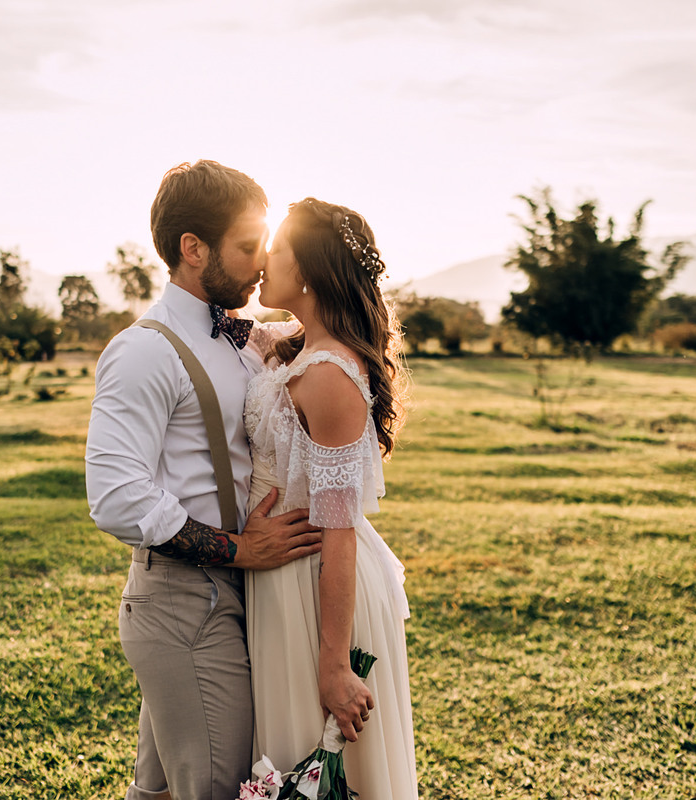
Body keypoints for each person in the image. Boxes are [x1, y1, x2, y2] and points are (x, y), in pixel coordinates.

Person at [85, 161, 323, 800]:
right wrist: (241, 549)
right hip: (184, 604)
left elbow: (325, 331)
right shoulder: (144, 351)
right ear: (193, 249)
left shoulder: (245, 340)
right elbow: (116, 497)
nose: (261, 264)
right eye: (248, 248)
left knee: (158, 792)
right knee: (218, 789)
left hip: (236, 599)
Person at [243, 198, 418, 797]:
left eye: (277, 249)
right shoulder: (295, 348)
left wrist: (335, 663)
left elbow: (339, 527)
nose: (265, 260)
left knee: (312, 767)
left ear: (311, 271)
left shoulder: (331, 375)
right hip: (279, 572)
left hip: (314, 584)